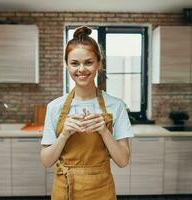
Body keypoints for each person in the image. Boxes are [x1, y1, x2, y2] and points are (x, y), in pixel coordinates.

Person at [40, 26, 133, 200]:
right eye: (75, 63)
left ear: (99, 63)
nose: (81, 69)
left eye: (88, 62)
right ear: (66, 65)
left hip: (101, 190)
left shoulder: (116, 106)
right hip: (64, 189)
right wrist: (64, 135)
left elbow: (123, 161)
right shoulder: (55, 107)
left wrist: (104, 131)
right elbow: (46, 161)